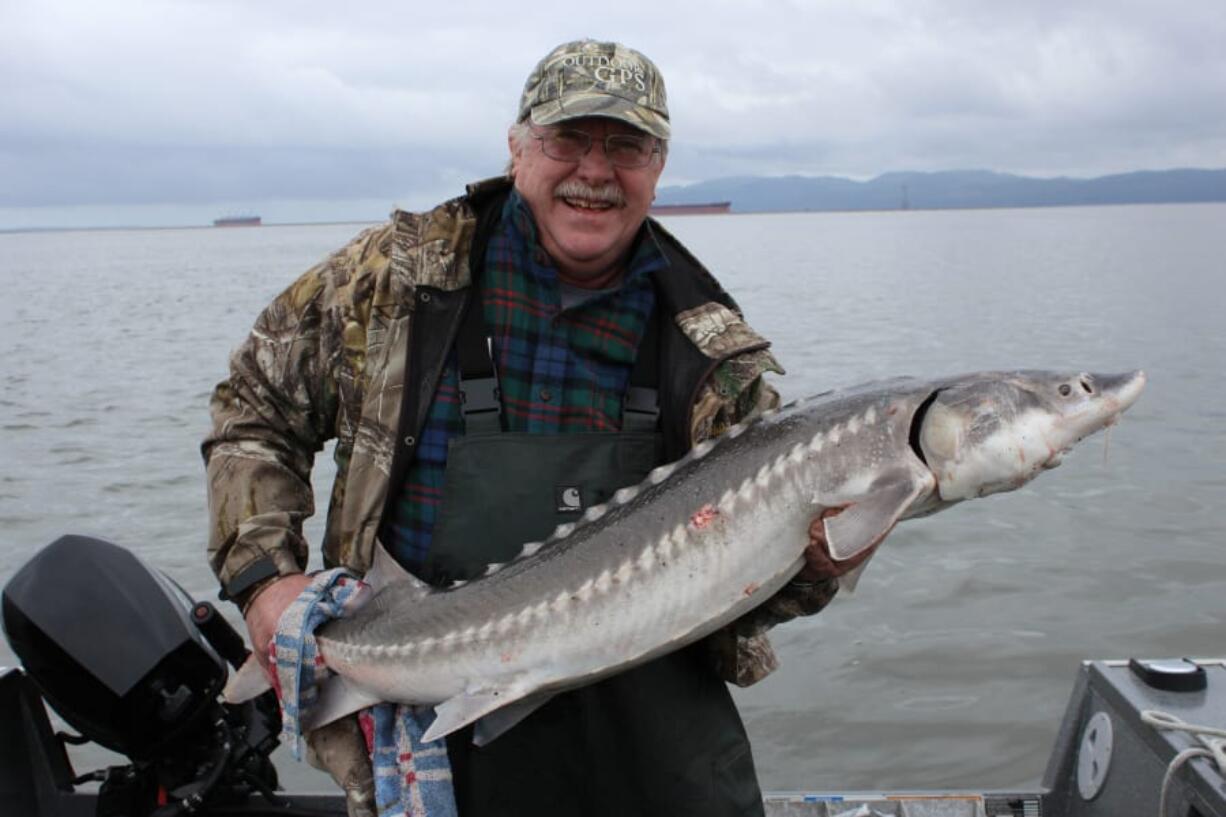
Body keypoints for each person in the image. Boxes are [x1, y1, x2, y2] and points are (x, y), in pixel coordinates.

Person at [204, 39, 871, 817]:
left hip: (653, 745)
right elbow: (254, 404)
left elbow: (754, 600)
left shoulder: (713, 352)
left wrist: (819, 562)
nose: (595, 171)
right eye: (568, 140)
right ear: (518, 147)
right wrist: (263, 577)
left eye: (626, 146)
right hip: (432, 724)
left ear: (658, 166)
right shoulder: (393, 284)